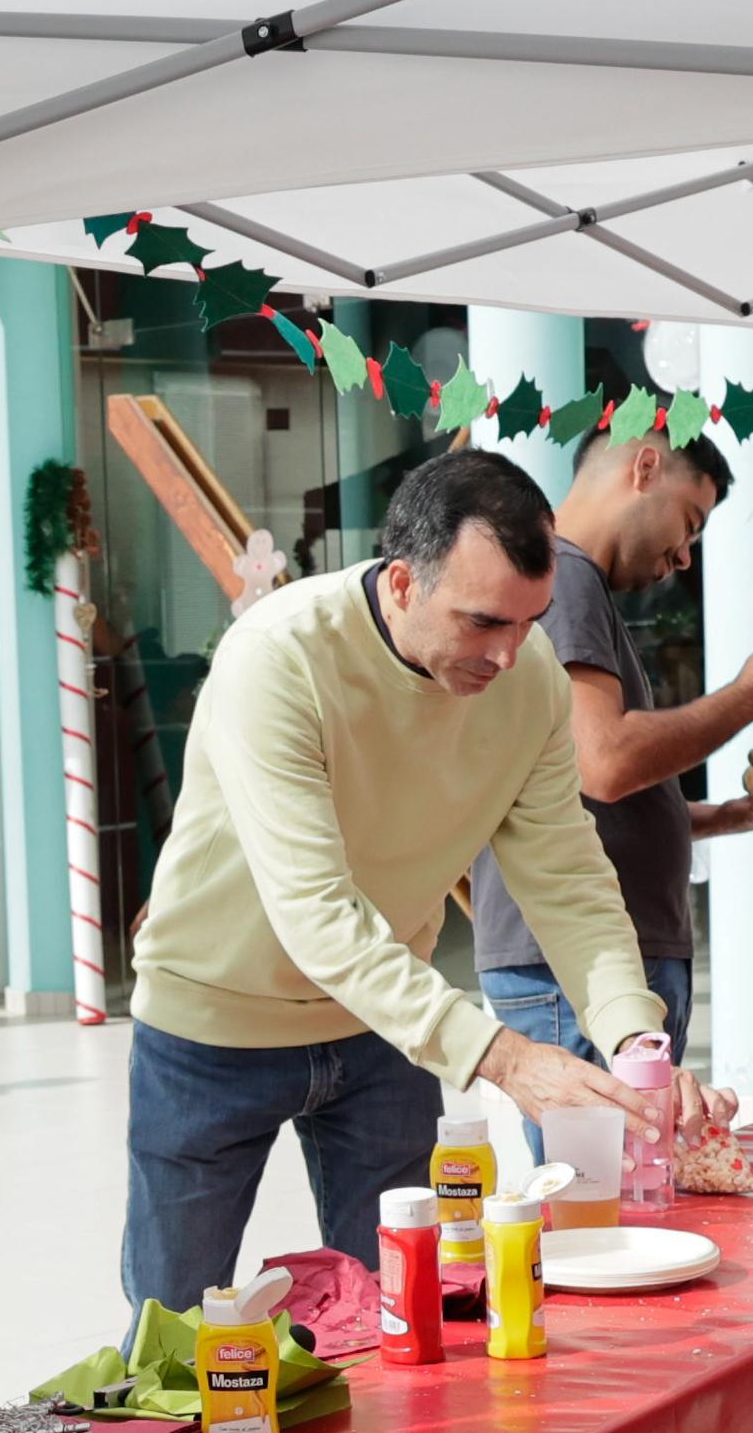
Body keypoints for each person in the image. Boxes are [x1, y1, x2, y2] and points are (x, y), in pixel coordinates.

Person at [118, 445, 690, 1314]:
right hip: (211, 1031)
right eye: (481, 623)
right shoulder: (276, 658)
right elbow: (318, 915)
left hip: (381, 1034)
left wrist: (634, 1039)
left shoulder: (528, 677)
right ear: (398, 584)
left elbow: (568, 876)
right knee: (174, 1337)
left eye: (528, 622)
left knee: (406, 1319)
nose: (507, 657)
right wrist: (499, 1057)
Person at [465, 428, 753, 1063]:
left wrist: (732, 815)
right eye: (689, 523)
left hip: (593, 963)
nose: (686, 556)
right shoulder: (568, 578)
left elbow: (580, 799)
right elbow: (605, 762)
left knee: (628, 1161)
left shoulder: (576, 584)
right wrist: (752, 692)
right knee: (608, 1163)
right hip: (582, 967)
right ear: (643, 467)